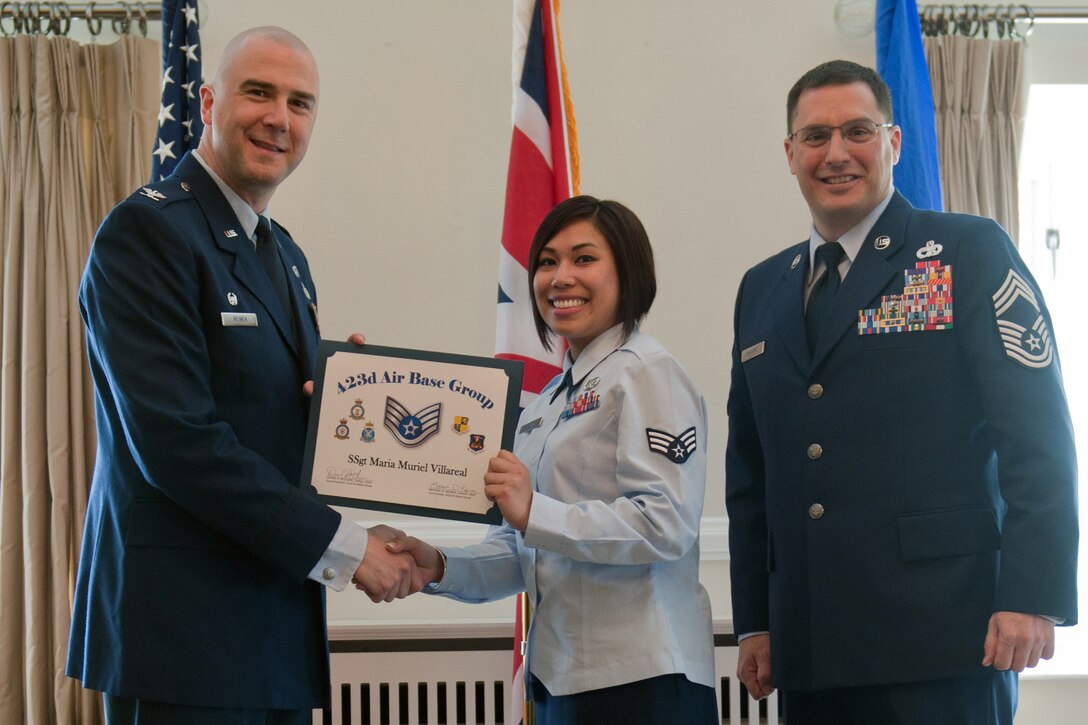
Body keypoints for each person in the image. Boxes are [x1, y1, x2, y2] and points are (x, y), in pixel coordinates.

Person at [66, 27, 419, 723]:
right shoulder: (147, 233)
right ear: (207, 101)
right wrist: (347, 547)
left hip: (272, 626)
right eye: (258, 92)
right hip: (182, 636)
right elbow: (177, 442)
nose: (278, 118)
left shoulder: (284, 255)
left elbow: (266, 419)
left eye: (300, 103)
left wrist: (350, 407)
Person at [725, 59, 1078, 724]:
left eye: (857, 131)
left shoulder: (965, 252)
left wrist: (1033, 593)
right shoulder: (762, 289)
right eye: (815, 136)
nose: (836, 154)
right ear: (790, 153)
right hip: (810, 646)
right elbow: (751, 473)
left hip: (944, 639)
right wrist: (756, 621)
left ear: (893, 142)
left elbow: (1036, 435)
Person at [387, 195, 718, 724]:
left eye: (584, 258)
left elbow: (666, 523)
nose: (560, 277)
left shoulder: (648, 373)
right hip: (560, 679)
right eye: (547, 262)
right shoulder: (544, 404)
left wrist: (534, 512)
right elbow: (524, 551)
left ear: (627, 271)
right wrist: (440, 566)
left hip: (642, 681)